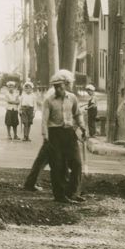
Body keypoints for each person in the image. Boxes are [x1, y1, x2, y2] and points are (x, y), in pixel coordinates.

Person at [40, 69, 87, 203]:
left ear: (65, 85)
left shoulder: (72, 98)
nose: (58, 89)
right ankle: (60, 196)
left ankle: (72, 193)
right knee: (58, 166)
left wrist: (82, 126)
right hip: (55, 134)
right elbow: (44, 120)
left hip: (69, 133)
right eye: (55, 86)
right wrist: (46, 136)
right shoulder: (49, 101)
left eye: (60, 86)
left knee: (77, 164)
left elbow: (77, 113)